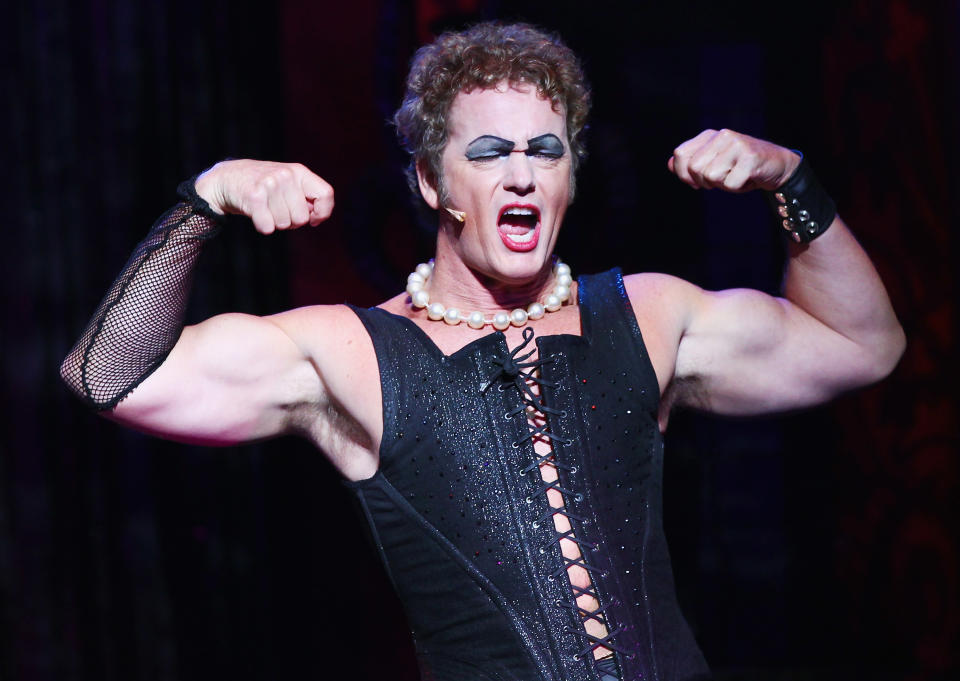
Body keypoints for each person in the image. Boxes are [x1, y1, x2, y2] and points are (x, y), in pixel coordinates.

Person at [60, 22, 904, 681]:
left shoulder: (645, 313)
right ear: (433, 182)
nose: (522, 176)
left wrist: (790, 181)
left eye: (546, 150)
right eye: (489, 152)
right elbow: (109, 376)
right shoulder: (351, 351)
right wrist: (207, 198)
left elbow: (861, 344)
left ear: (572, 174)